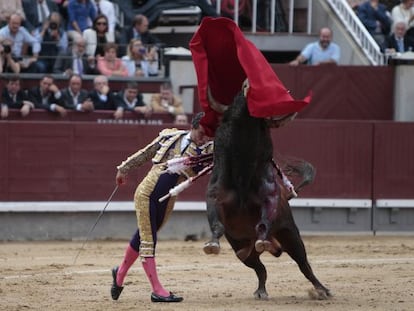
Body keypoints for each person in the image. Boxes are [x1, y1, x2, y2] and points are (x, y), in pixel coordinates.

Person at [110, 112, 213, 303]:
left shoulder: (209, 150)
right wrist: (123, 169)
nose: (203, 138)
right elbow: (146, 152)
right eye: (201, 133)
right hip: (146, 194)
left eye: (208, 135)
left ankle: (119, 275)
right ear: (194, 126)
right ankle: (157, 290)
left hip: (166, 200)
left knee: (143, 236)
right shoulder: (170, 136)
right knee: (149, 240)